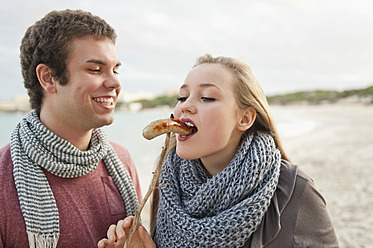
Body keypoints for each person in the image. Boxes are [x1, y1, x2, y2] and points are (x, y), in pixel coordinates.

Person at [98, 54, 339, 248]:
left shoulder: (295, 190)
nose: (185, 106)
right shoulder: (168, 182)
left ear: (245, 118)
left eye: (207, 98)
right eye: (182, 96)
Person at [0, 9, 142, 248]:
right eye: (95, 70)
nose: (116, 83)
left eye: (115, 70)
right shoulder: (3, 178)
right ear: (48, 78)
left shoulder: (122, 159)